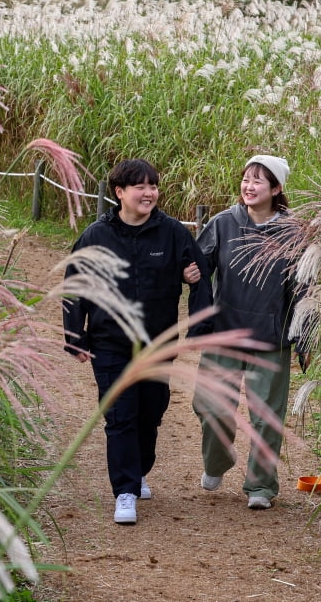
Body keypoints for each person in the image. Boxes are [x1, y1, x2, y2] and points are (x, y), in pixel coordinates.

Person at [63, 159, 212, 525]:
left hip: (157, 342)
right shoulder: (96, 236)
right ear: (119, 193)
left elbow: (200, 277)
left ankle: (140, 469)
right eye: (140, 187)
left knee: (151, 412)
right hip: (109, 342)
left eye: (154, 186)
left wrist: (196, 325)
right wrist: (75, 336)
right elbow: (74, 286)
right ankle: (125, 491)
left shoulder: (173, 233)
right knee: (120, 415)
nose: (149, 193)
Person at [192, 154, 302, 510]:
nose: (249, 186)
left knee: (266, 415)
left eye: (258, 181)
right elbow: (197, 268)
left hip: (271, 335)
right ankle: (218, 461)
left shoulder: (294, 231)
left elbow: (305, 288)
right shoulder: (224, 223)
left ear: (276, 189)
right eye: (246, 179)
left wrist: (306, 337)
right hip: (225, 332)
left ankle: (261, 486)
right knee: (209, 404)